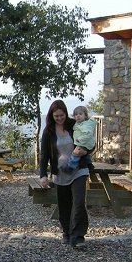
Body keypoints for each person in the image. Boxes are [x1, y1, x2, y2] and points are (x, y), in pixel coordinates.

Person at [39, 99, 90, 248]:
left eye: (62, 115)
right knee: (64, 205)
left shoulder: (74, 125)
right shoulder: (48, 131)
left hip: (79, 169)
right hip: (60, 173)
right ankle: (67, 233)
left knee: (79, 202)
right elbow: (44, 154)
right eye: (56, 116)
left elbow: (88, 141)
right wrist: (43, 175)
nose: (60, 118)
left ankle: (79, 237)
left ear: (66, 113)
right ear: (52, 116)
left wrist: (86, 151)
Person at [62, 105, 96, 173]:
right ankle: (89, 165)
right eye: (76, 114)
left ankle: (70, 167)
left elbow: (88, 134)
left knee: (76, 153)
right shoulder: (79, 124)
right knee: (85, 154)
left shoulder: (86, 125)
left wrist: (80, 139)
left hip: (85, 142)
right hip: (86, 143)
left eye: (80, 114)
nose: (78, 116)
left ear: (85, 115)